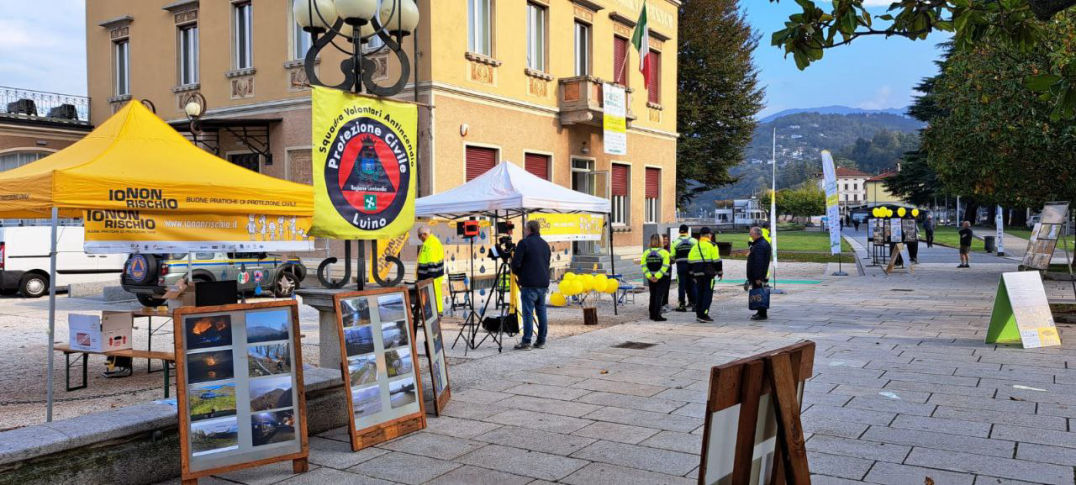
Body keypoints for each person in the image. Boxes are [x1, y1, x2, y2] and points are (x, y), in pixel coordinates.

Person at [511, 220, 551, 350]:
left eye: (525, 229)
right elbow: (547, 263)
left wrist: (519, 274)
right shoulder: (545, 244)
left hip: (529, 283)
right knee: (541, 312)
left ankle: (526, 341)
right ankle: (541, 341)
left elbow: (515, 264)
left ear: (529, 230)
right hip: (543, 283)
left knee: (528, 313)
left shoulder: (524, 243)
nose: (524, 231)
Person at [688, 227, 722, 323]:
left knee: (700, 293)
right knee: (708, 294)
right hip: (708, 274)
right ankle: (704, 314)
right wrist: (719, 272)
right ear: (709, 235)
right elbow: (716, 260)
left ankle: (699, 314)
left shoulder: (695, 246)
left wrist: (692, 275)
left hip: (697, 274)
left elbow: (690, 261)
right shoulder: (712, 245)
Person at [642, 234, 671, 321]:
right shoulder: (664, 252)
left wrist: (650, 276)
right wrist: (657, 276)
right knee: (659, 296)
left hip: (650, 278)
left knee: (653, 295)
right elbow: (665, 266)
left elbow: (644, 266)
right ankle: (657, 315)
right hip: (662, 277)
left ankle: (651, 314)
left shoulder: (646, 252)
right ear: (661, 241)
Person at [416, 226, 445, 314]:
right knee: (435, 296)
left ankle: (436, 314)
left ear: (424, 234)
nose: (420, 239)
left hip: (431, 277)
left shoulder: (431, 243)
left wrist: (430, 278)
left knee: (434, 296)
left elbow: (432, 261)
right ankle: (436, 313)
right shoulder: (431, 242)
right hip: (430, 277)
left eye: (419, 236)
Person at [747, 226, 772, 320]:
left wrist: (758, 277)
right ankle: (760, 312)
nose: (750, 235)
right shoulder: (760, 243)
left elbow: (759, 262)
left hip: (758, 275)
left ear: (756, 234)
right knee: (759, 293)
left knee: (759, 293)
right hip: (759, 274)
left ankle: (762, 313)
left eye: (751, 233)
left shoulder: (760, 245)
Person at [672, 225, 697, 312]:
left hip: (681, 266)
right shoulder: (694, 241)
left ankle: (682, 305)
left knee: (681, 286)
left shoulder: (675, 242)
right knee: (693, 285)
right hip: (692, 266)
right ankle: (695, 304)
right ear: (688, 231)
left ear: (679, 231)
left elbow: (672, 257)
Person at [660, 234, 672, 311]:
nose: (665, 241)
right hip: (661, 272)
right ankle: (661, 304)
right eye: (664, 239)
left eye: (667, 239)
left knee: (667, 288)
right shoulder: (659, 250)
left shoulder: (669, 249)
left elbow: (672, 260)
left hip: (668, 270)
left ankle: (665, 303)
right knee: (662, 288)